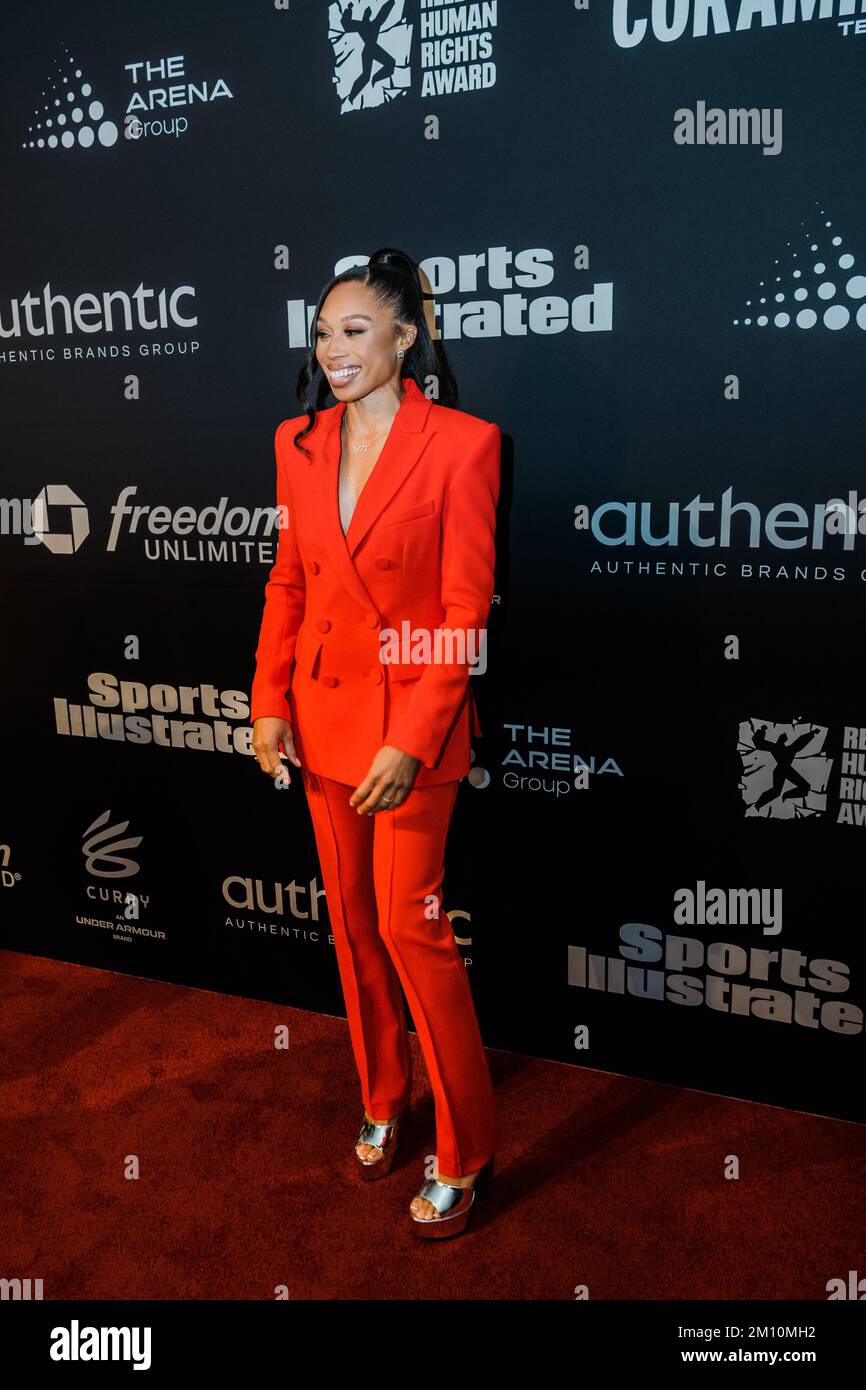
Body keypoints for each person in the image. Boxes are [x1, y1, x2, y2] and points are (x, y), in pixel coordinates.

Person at [250, 247, 501, 1238]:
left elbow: (462, 607)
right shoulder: (297, 440)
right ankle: (383, 1092)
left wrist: (410, 738)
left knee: (411, 933)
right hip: (321, 722)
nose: (334, 348)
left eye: (356, 330)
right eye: (323, 332)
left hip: (410, 738)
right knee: (352, 927)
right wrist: (268, 699)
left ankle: (465, 1149)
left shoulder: (464, 444)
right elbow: (287, 581)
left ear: (406, 336)